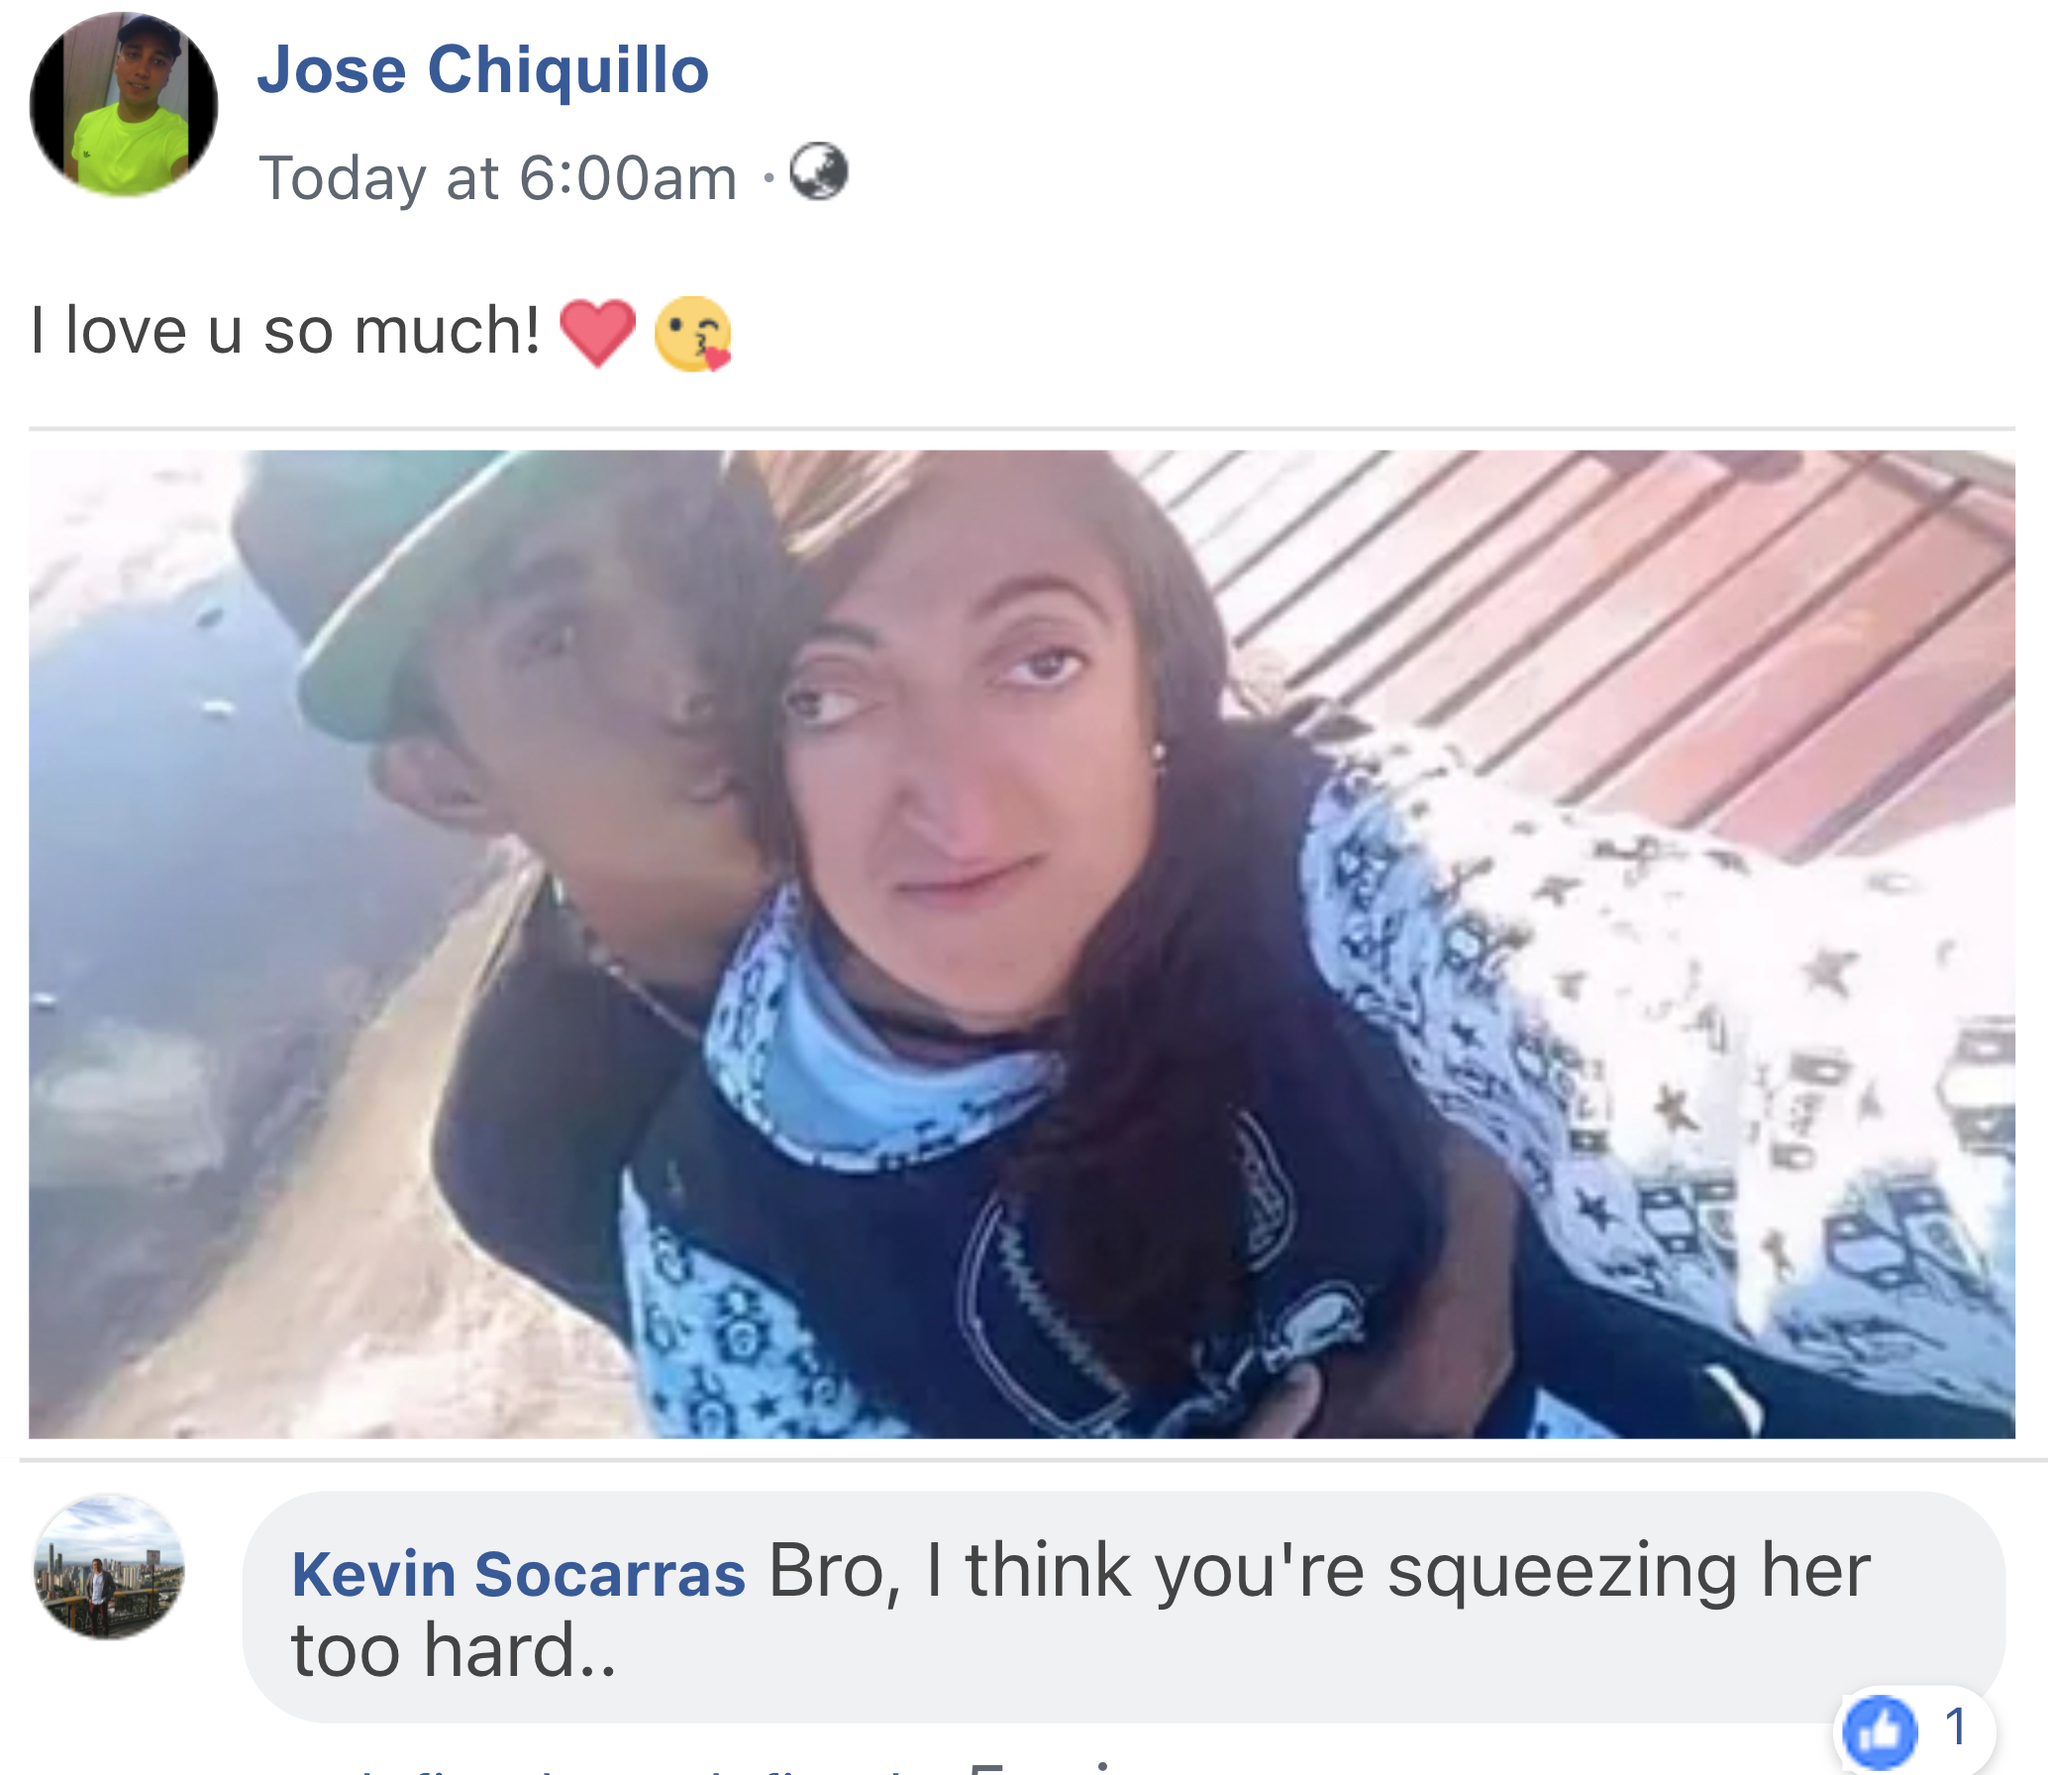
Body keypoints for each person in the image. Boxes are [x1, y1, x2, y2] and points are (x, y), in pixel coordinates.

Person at [605, 449, 2013, 1439]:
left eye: (1040, 660)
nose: (956, 806)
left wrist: (1454, 1331)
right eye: (831, 695)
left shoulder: (1323, 852)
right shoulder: (725, 1231)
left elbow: (1693, 1042)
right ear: (761, 752)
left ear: (1155, 690)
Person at [232, 452, 1402, 1438]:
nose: (691, 673)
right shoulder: (542, 1141)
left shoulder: (1013, 709)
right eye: (555, 635)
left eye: (686, 541)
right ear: (445, 780)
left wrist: (1432, 1368)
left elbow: (1399, 868)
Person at [68, 15, 190, 196]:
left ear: (167, 77)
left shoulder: (178, 138)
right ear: (117, 63)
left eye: (158, 61)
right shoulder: (88, 121)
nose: (142, 71)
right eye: (133, 55)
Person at [86, 1558, 111, 1636]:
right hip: (93, 1601)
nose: (96, 1566)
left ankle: (105, 1636)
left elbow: (113, 1587)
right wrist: (88, 1597)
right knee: (93, 1620)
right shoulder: (91, 1575)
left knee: (104, 1620)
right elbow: (86, 1586)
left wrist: (107, 1597)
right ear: (93, 1566)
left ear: (101, 1565)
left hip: (102, 1601)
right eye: (94, 1565)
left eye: (97, 1564)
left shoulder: (107, 1575)